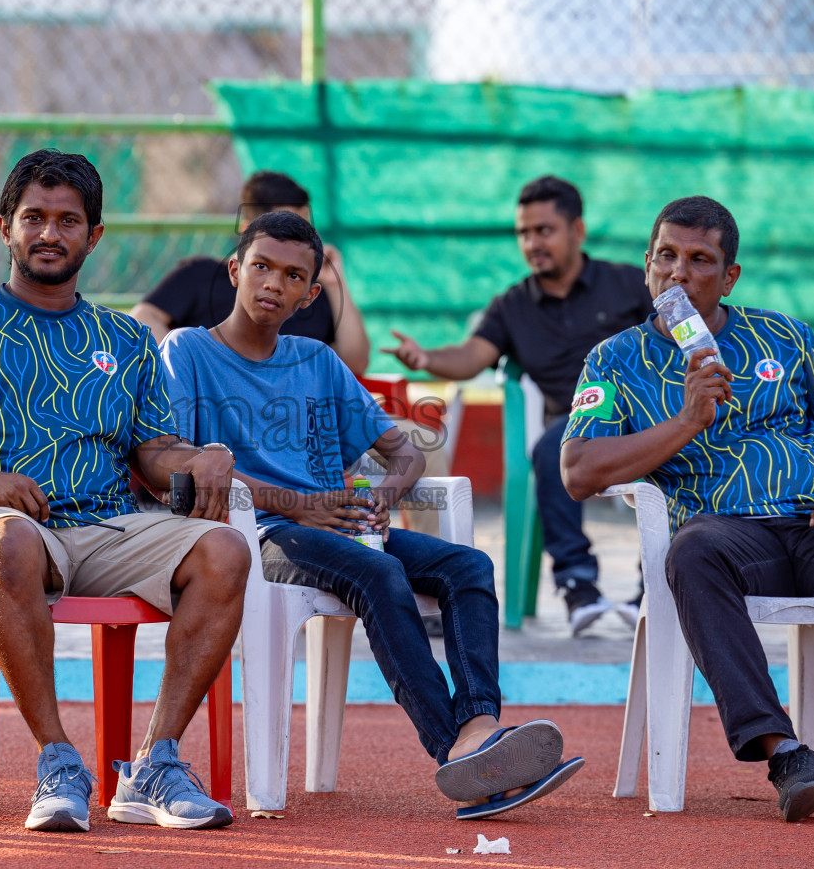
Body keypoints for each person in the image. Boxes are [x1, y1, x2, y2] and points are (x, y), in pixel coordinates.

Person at [0, 149, 250, 833]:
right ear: (5, 229)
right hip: (4, 529)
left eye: (68, 221)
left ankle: (155, 766)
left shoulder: (125, 339)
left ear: (93, 236)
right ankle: (58, 761)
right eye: (33, 218)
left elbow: (155, 456)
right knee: (11, 539)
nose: (50, 233)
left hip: (109, 527)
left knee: (224, 549)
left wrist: (208, 457)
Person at [160, 210, 583, 821]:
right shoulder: (189, 351)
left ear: (310, 295)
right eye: (261, 267)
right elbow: (191, 463)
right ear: (235, 270)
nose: (273, 284)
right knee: (379, 576)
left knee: (469, 566)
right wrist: (302, 504)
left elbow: (406, 450)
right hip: (258, 535)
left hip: (341, 531)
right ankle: (454, 750)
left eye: (292, 276)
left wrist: (383, 497)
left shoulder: (318, 361)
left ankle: (480, 724)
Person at [560, 196, 814, 822]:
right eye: (666, 257)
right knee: (692, 555)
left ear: (728, 277)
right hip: (725, 535)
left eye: (699, 259)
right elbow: (578, 471)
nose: (678, 273)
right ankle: (784, 752)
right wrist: (686, 420)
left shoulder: (784, 336)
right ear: (647, 266)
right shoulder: (615, 360)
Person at [384, 177, 651, 634]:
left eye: (544, 230)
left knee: (681, 445)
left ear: (577, 230)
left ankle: (655, 589)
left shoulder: (628, 284)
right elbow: (472, 355)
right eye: (524, 233)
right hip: (575, 428)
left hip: (647, 418)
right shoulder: (513, 306)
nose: (532, 243)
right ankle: (577, 587)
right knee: (554, 445)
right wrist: (427, 359)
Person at [132, 171, 371, 375]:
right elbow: (144, 316)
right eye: (282, 230)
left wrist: (335, 285)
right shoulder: (201, 276)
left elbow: (355, 363)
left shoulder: (311, 289)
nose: (295, 240)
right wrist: (191, 367)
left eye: (302, 229)